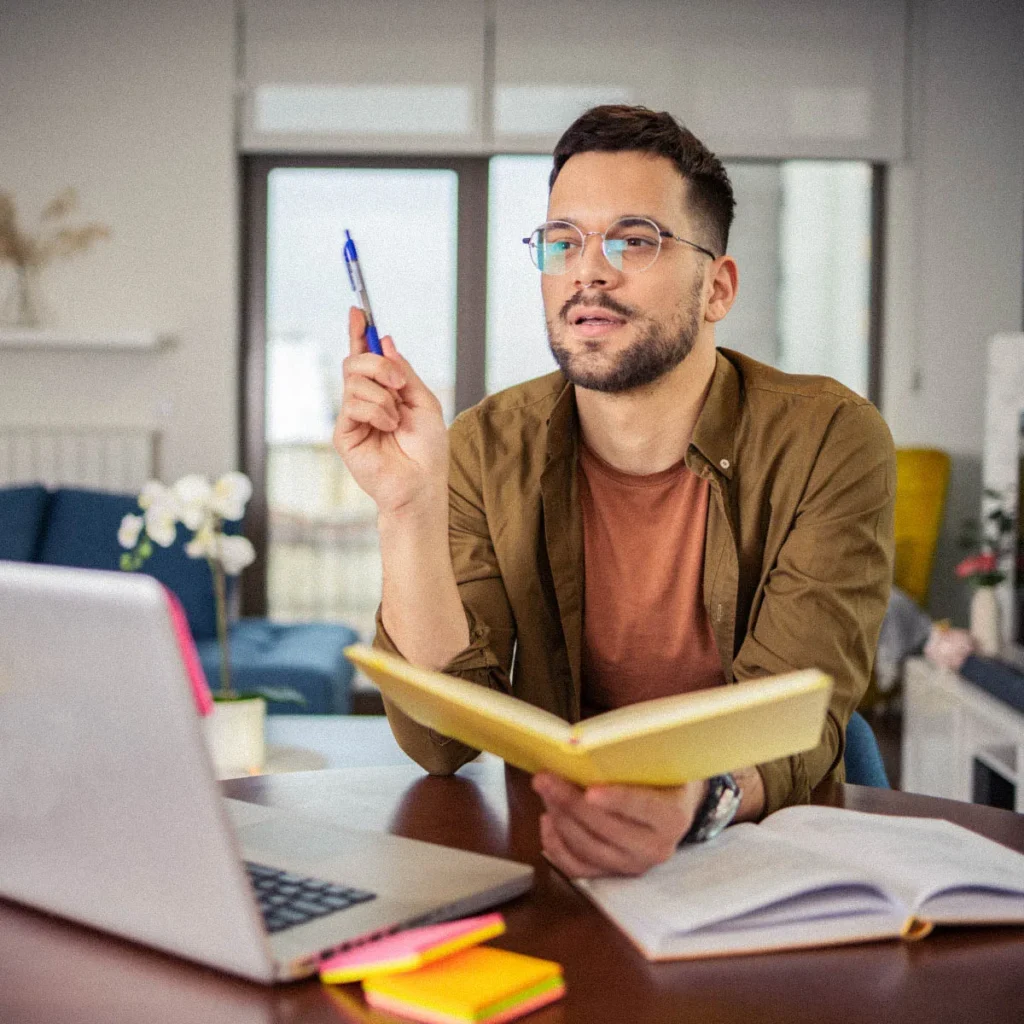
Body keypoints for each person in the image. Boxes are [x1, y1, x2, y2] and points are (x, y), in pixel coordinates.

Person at [334, 105, 896, 878]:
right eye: (562, 242)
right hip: (564, 844)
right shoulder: (482, 446)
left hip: (757, 848)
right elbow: (440, 740)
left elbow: (800, 716)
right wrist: (406, 508)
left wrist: (691, 805)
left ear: (717, 289)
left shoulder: (830, 437)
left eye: (634, 240)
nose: (587, 270)